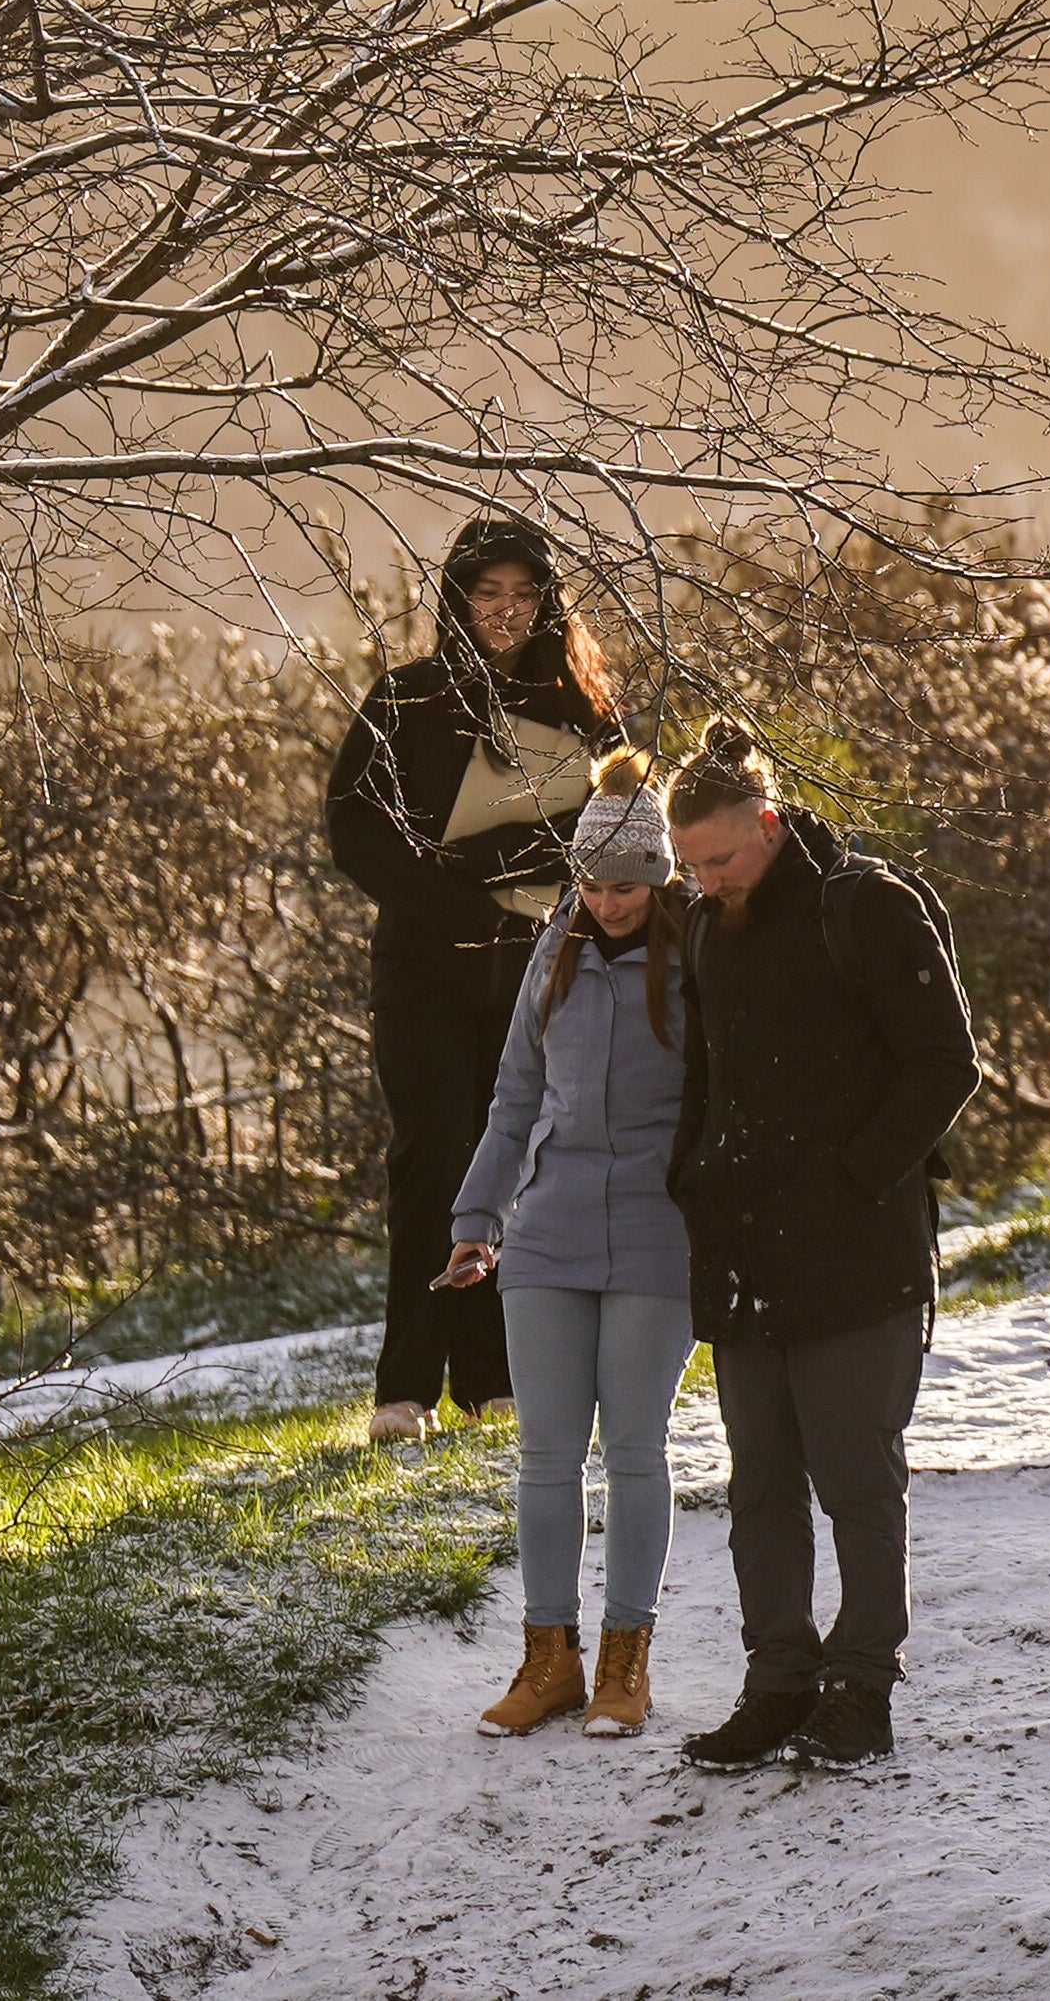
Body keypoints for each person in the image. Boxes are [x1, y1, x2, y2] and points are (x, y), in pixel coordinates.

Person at [663, 720, 978, 1775]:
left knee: (854, 1476)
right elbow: (705, 1081)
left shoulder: (868, 908)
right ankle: (777, 1681)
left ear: (765, 821)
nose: (704, 882)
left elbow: (945, 1063)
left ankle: (862, 1687)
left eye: (719, 859)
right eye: (688, 866)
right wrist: (694, 1185)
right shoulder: (706, 929)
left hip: (859, 1250)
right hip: (746, 1249)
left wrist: (853, 1179)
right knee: (759, 1483)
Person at [323, 515, 625, 1439]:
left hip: (538, 970)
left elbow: (612, 826)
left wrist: (500, 864)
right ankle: (404, 1386)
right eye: (487, 593)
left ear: (547, 601)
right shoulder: (406, 698)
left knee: (520, 1168)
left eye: (522, 594)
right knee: (432, 1162)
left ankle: (495, 1377)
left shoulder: (585, 706)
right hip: (423, 970)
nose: (504, 611)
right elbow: (355, 830)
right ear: (458, 599)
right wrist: (465, 901)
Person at [437, 748, 693, 1741]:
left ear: (660, 875)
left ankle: (626, 1662)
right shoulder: (556, 952)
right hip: (545, 1231)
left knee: (633, 1450)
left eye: (626, 882)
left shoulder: (696, 952)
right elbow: (513, 1097)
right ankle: (549, 1659)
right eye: (591, 880)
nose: (608, 898)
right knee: (544, 1456)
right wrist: (475, 1222)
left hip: (654, 1235)